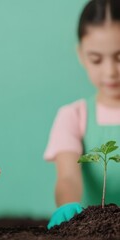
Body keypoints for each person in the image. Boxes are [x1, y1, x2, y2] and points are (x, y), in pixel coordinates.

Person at [45, 0, 120, 229]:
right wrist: (68, 207)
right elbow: (68, 176)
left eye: (119, 57)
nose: (110, 71)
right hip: (94, 230)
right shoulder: (74, 116)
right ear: (81, 55)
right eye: (96, 59)